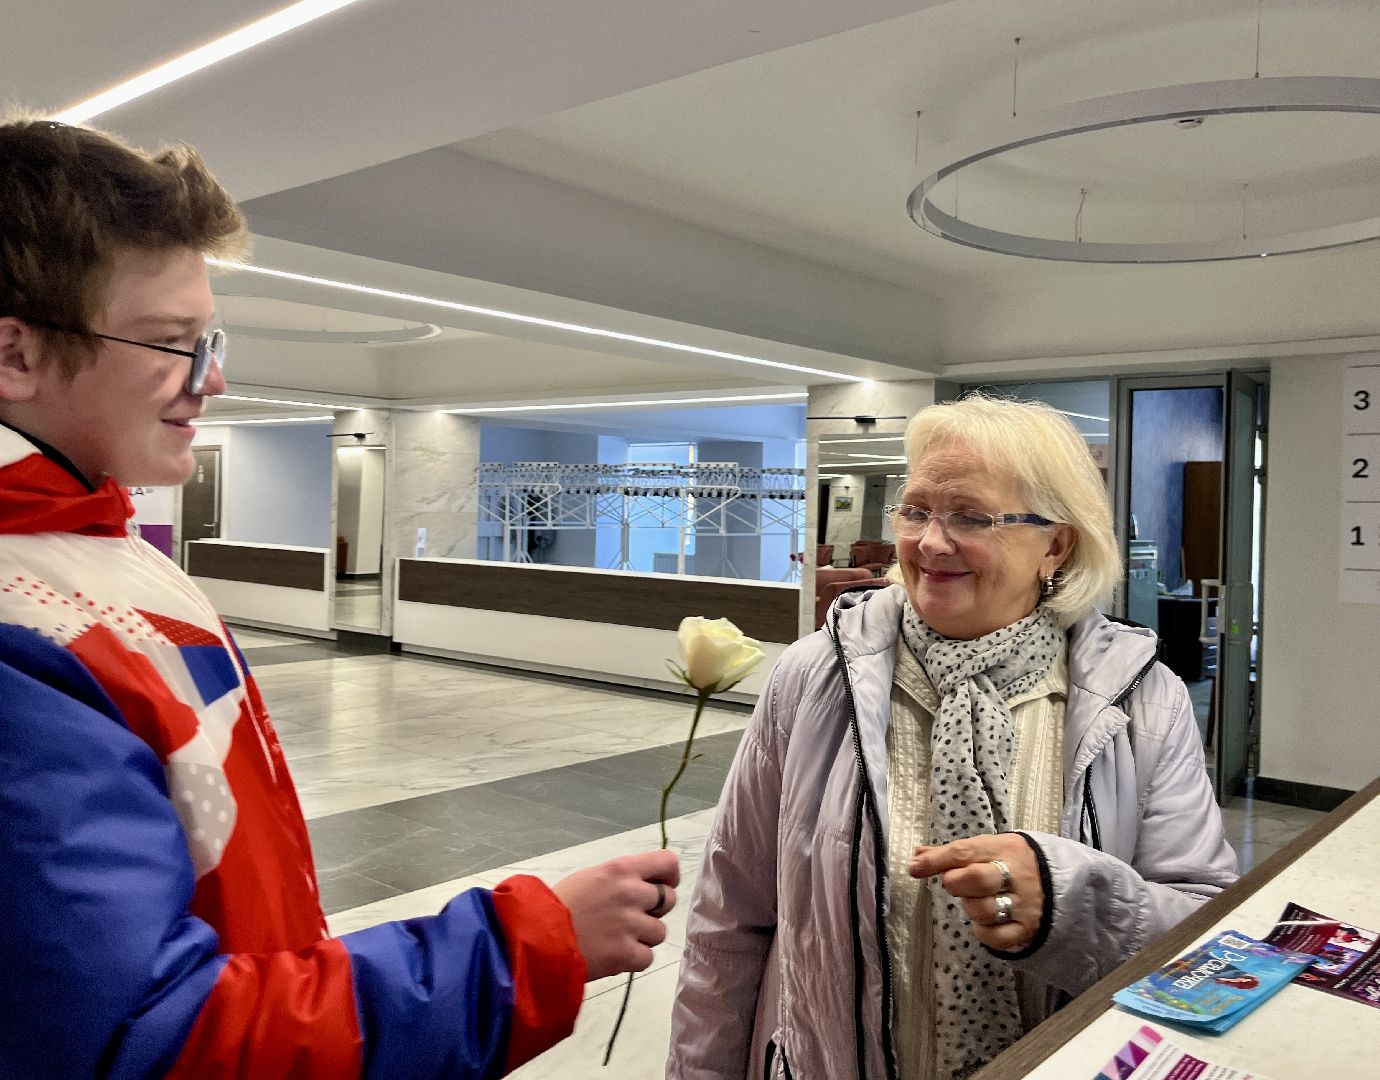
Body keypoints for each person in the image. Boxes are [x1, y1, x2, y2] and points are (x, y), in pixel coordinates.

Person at [0, 116, 678, 1079]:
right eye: (170, 342)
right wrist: (525, 949)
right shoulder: (20, 637)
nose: (215, 378)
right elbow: (145, 1041)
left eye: (211, 339)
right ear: (15, 355)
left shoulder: (80, 548)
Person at [668, 394, 1237, 1080]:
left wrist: (1073, 904)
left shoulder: (1144, 701)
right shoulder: (814, 678)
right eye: (915, 511)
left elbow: (1210, 939)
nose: (930, 543)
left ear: (1055, 544)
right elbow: (731, 921)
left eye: (970, 517)